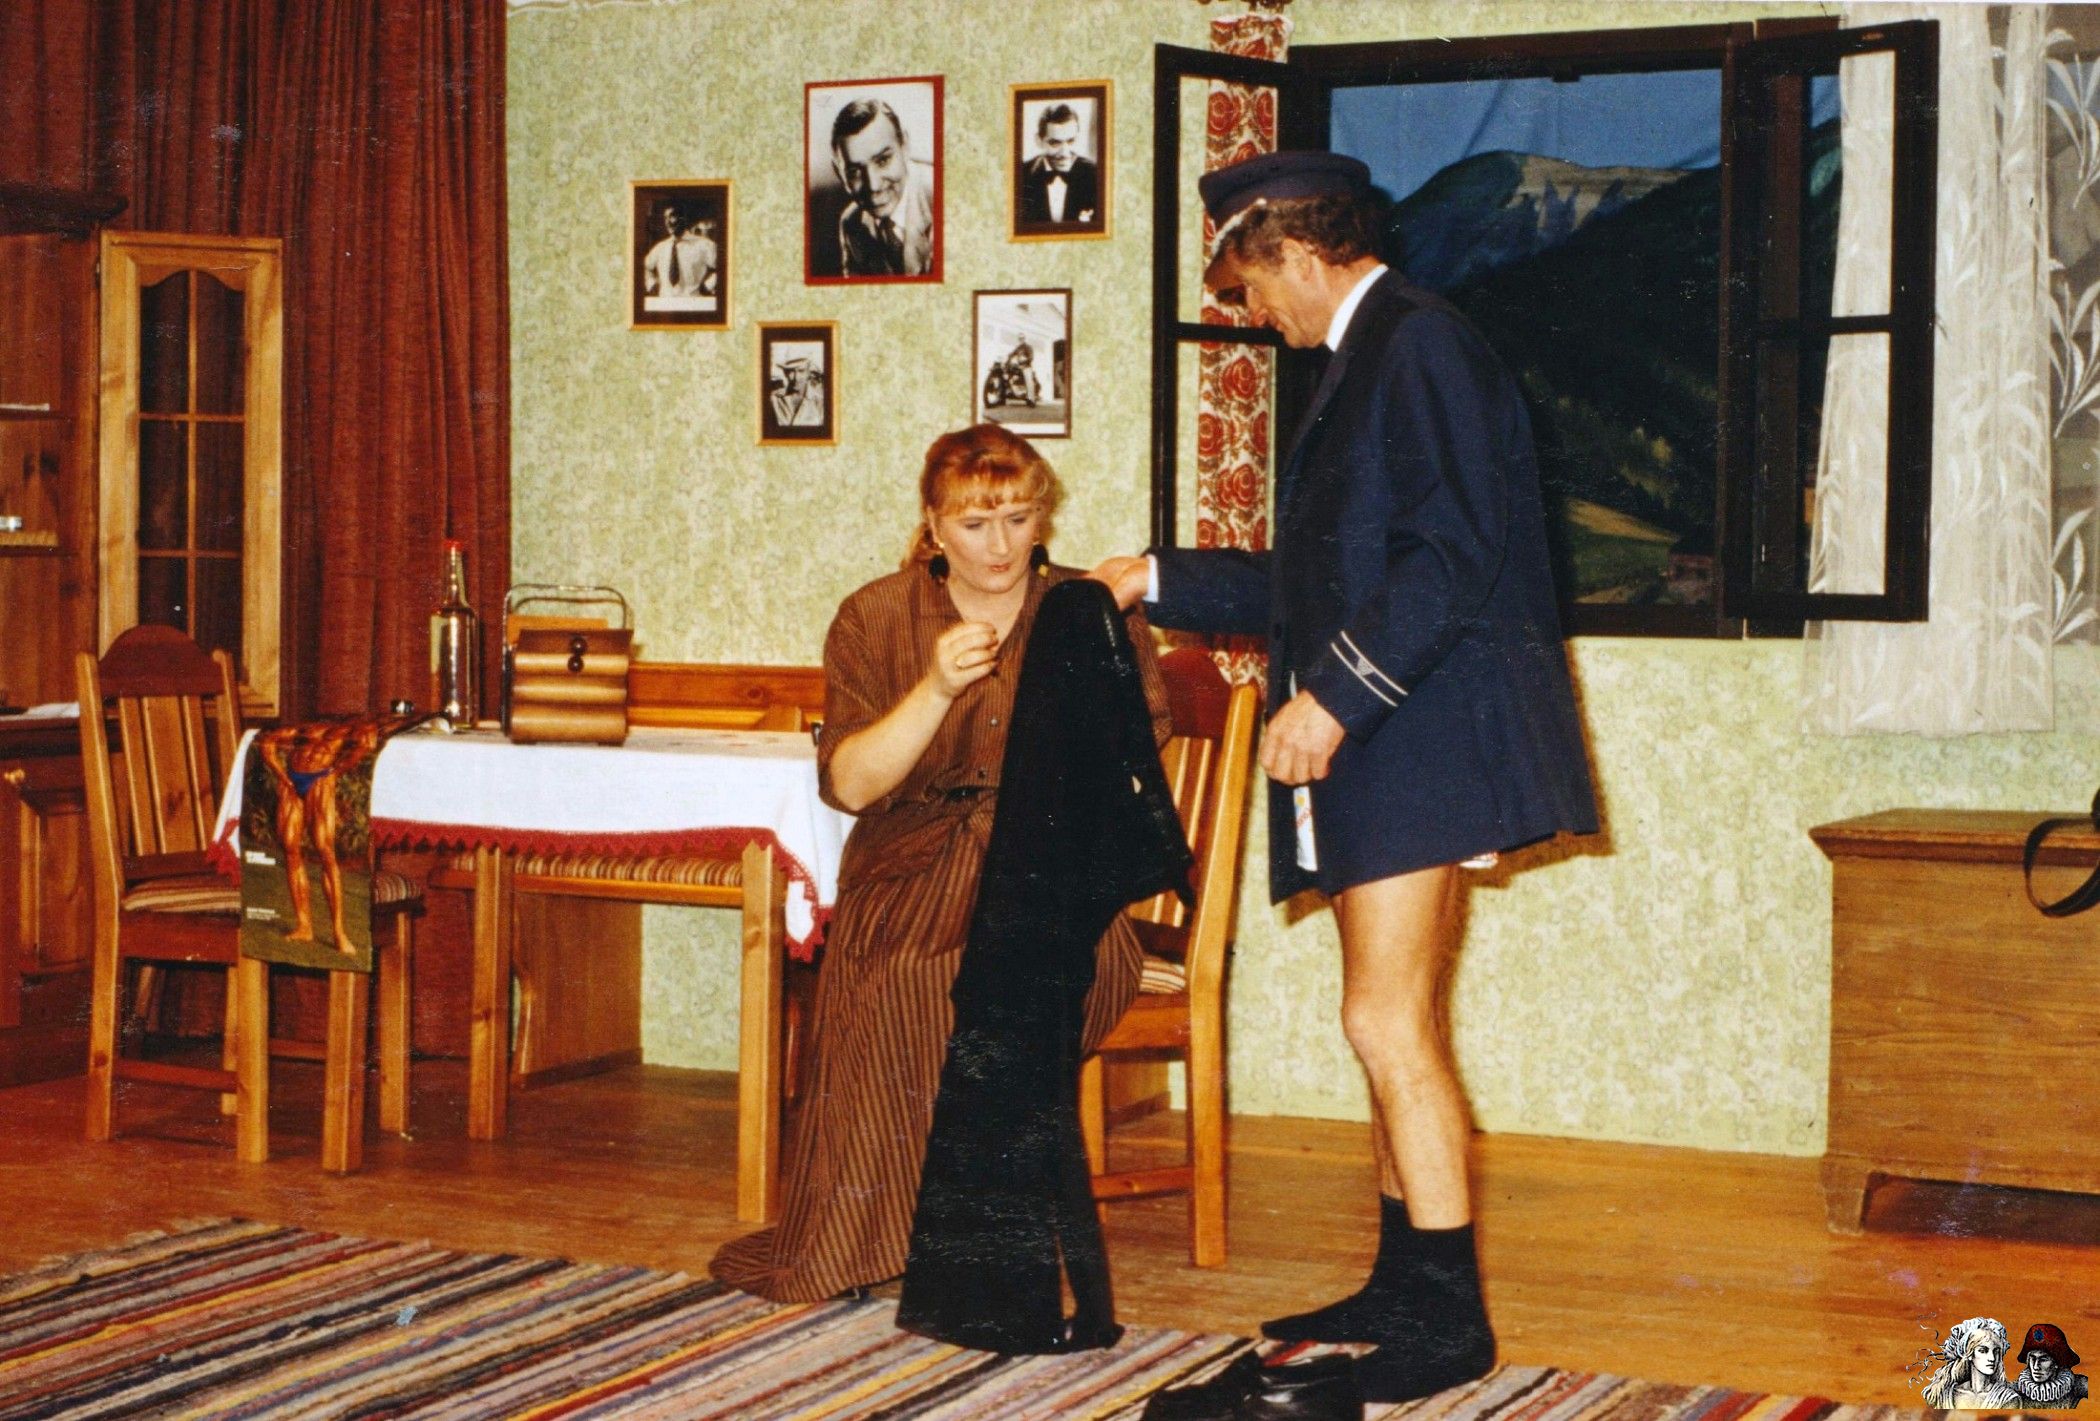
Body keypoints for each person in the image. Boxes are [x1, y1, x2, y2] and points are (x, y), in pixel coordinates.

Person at [1095, 150, 1598, 1408]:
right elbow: (1321, 580)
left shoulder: (1416, 345)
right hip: (1409, 725)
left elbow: (1451, 555)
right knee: (1390, 1014)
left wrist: (1333, 698)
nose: (1251, 310)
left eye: (1249, 284)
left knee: (1385, 1019)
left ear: (1297, 252)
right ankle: (1404, 1282)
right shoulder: (1372, 353)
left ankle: (1450, 1320)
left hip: (1423, 726)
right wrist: (1157, 575)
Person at [710, 423, 1170, 1303]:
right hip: (912, 869)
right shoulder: (875, 616)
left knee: (1000, 973)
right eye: (974, 523)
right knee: (898, 973)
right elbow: (851, 783)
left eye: (1018, 519)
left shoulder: (1091, 611)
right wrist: (934, 689)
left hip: (1054, 874)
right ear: (932, 524)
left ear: (1042, 518)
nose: (999, 546)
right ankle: (877, 1243)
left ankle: (967, 1244)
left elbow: (1131, 779)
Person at [832, 99, 935, 277]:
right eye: (854, 172)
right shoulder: (851, 223)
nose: (873, 186)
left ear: (905, 146)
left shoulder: (943, 196)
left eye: (883, 160)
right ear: (840, 175)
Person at [1019, 102, 1100, 228]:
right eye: (1055, 143)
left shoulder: (1096, 174)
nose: (1065, 153)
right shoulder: (1020, 175)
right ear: (1039, 141)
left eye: (1071, 141)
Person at [1923, 1318, 2023, 1410]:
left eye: (1996, 1351)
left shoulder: (2007, 1398)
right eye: (1983, 1351)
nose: (1992, 1358)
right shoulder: (1945, 1395)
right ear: (1969, 1354)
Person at [642, 202, 715, 302]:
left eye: (672, 216)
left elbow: (723, 268)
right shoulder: (660, 248)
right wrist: (651, 284)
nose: (668, 222)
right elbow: (644, 268)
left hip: (694, 304)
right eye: (665, 218)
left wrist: (708, 286)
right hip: (664, 305)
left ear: (683, 218)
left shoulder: (704, 245)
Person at [2014, 1323, 2090, 1409]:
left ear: (2056, 1363)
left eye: (2043, 1360)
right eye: (2033, 1359)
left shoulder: (2078, 1385)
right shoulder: (2015, 1390)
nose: (2036, 1367)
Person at [769, 356, 823, 427]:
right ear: (785, 373)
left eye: (801, 371)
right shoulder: (774, 400)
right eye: (791, 371)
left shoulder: (820, 402)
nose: (796, 378)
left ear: (808, 373)